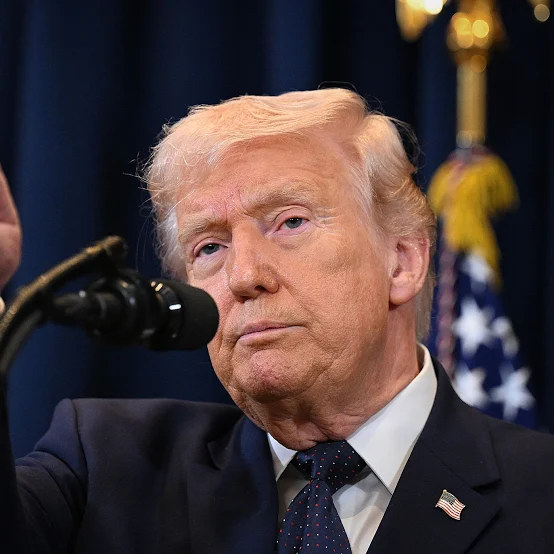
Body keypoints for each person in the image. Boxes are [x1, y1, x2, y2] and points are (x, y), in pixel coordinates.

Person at [1, 89, 554, 554]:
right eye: (209, 247)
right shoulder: (103, 465)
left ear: (402, 261)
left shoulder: (541, 495)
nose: (244, 275)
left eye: (290, 222)